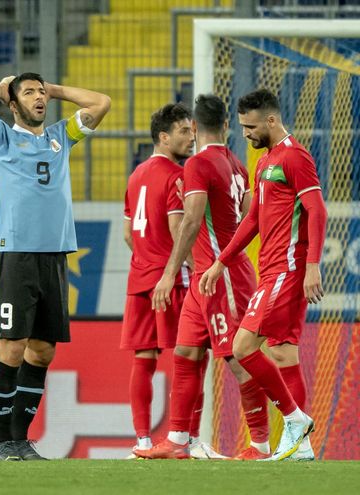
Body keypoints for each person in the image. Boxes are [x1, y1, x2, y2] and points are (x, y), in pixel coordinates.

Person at [0, 73, 110, 460]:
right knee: (12, 347)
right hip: (16, 254)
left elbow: (101, 103)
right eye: (29, 93)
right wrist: (2, 89)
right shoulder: (0, 137)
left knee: (43, 351)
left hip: (56, 255)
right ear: (13, 105)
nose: (39, 97)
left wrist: (55, 90)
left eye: (41, 92)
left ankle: (20, 440)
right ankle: (1, 442)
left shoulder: (61, 137)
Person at [136, 94, 270, 460]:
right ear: (226, 125)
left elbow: (192, 220)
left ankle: (261, 444)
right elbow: (248, 217)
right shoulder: (237, 165)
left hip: (220, 276)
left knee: (237, 358)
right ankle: (178, 440)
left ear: (194, 127)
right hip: (208, 275)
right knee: (186, 352)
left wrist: (168, 274)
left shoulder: (197, 164)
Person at [199, 88, 325, 461]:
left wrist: (313, 265)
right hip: (270, 268)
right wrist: (221, 261)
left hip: (288, 268)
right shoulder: (265, 160)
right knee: (283, 353)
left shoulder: (295, 156)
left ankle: (296, 420)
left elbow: (317, 210)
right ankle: (301, 447)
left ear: (271, 120)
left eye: (251, 126)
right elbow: (253, 218)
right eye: (242, 126)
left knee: (242, 347)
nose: (246, 133)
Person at [120, 103, 194, 457]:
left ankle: (142, 440)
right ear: (164, 137)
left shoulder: (136, 175)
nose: (191, 137)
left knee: (144, 358)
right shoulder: (177, 176)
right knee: (190, 355)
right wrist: (193, 268)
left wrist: (147, 261)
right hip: (171, 280)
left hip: (140, 279)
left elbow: (127, 233)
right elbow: (179, 230)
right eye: (183, 131)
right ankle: (187, 437)